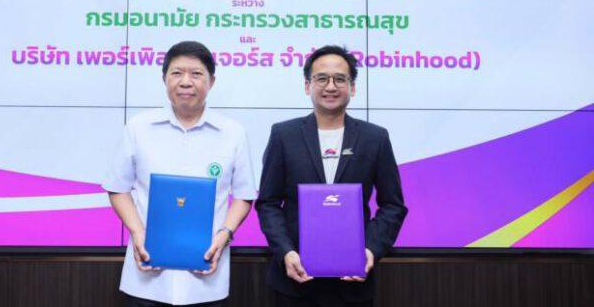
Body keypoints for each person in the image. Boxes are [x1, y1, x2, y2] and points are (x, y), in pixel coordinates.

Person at [103, 41, 257, 306]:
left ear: (211, 81)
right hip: (146, 280)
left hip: (206, 282)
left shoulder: (233, 133)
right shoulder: (138, 127)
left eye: (196, 74)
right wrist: (138, 232)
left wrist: (224, 235)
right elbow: (118, 188)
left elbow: (244, 196)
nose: (186, 82)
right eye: (177, 73)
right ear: (164, 78)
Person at [256, 45, 407, 307]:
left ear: (352, 87)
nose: (331, 86)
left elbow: (393, 205)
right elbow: (268, 203)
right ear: (308, 86)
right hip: (294, 280)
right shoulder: (284, 135)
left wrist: (370, 250)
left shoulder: (375, 138)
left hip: (353, 283)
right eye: (322, 78)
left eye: (339, 79)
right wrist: (286, 252)